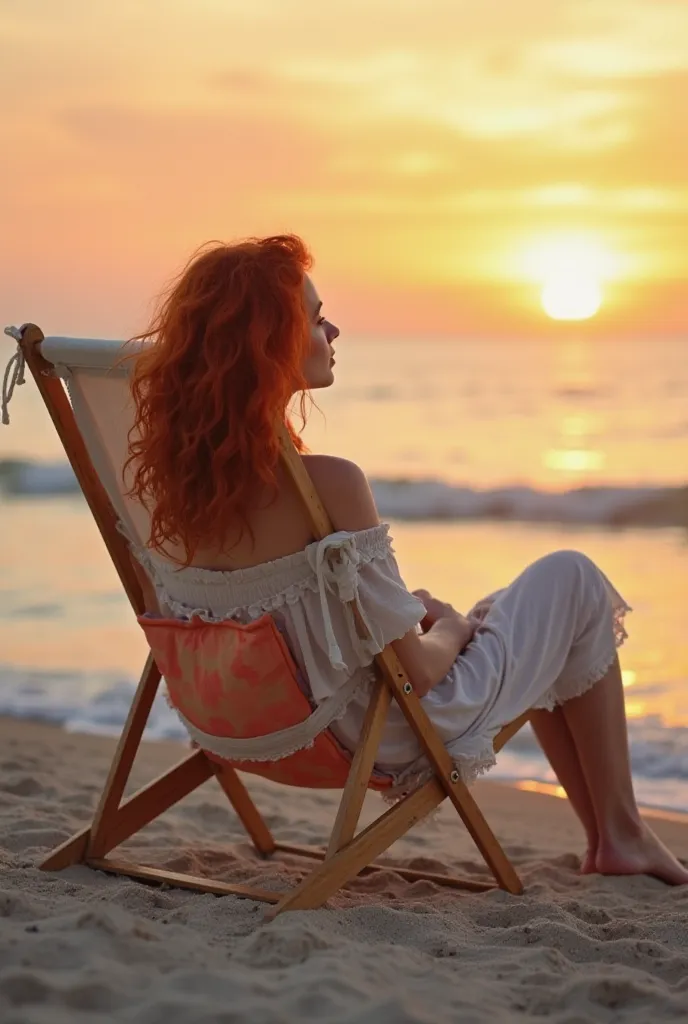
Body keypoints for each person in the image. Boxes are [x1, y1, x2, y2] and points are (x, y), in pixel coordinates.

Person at [125, 234, 688, 885]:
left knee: (517, 611)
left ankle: (614, 835)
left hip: (235, 721)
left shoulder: (166, 494)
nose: (332, 328)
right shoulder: (330, 483)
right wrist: (449, 627)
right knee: (574, 580)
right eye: (313, 316)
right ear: (270, 342)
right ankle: (620, 834)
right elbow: (416, 677)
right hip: (376, 736)